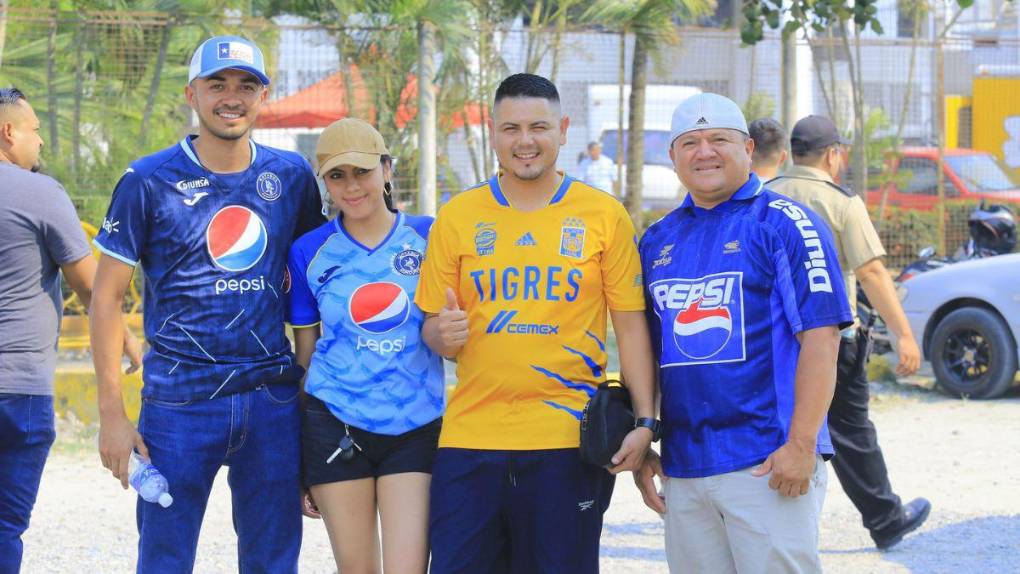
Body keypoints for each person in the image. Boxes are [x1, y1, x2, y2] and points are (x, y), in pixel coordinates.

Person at [90, 36, 324, 573]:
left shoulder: (290, 178)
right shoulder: (147, 180)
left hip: (272, 402)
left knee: (273, 561)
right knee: (165, 560)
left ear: (265, 94)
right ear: (192, 93)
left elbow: (313, 291)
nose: (231, 97)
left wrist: (316, 402)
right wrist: (111, 414)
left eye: (246, 85)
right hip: (178, 404)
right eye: (217, 84)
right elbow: (106, 298)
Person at [415, 73, 657, 574]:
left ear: (563, 129)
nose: (525, 141)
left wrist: (645, 423)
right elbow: (432, 330)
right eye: (511, 128)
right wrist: (443, 334)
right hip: (469, 440)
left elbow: (631, 329)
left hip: (566, 442)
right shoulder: (457, 217)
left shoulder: (603, 216)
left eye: (539, 126)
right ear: (493, 131)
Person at [634, 93, 853, 573]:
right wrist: (645, 435)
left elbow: (822, 337)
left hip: (767, 461)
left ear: (748, 147)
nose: (704, 151)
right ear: (672, 157)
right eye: (689, 142)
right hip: (685, 466)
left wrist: (802, 443)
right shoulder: (655, 240)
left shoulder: (787, 223)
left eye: (719, 139)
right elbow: (646, 352)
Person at [287, 118, 445, 573]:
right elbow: (306, 350)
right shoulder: (308, 251)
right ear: (325, 184)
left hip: (414, 424)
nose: (351, 187)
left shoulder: (430, 236)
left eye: (362, 172)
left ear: (387, 170)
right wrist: (300, 455)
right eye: (337, 176)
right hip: (334, 423)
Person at [767, 114, 929, 550]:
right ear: (832, 155)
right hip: (832, 337)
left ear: (791, 153)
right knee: (850, 429)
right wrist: (905, 335)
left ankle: (762, 519)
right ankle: (885, 518)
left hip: (773, 340)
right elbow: (872, 271)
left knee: (773, 424)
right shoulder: (840, 202)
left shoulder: (765, 196)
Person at [0, 87, 140, 574]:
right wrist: (126, 337)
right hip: (18, 390)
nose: (40, 143)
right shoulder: (40, 193)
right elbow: (94, 287)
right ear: (9, 132)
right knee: (3, 526)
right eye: (35, 130)